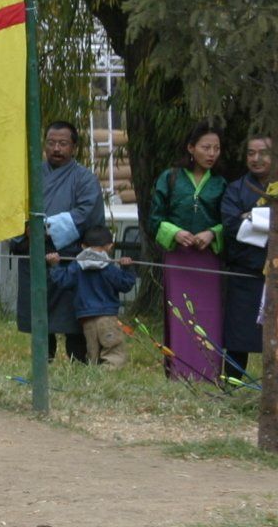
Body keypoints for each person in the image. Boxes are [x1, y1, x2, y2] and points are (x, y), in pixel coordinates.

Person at [13, 121, 104, 364]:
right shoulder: (32, 175)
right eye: (51, 143)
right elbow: (16, 207)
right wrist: (25, 229)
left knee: (73, 319)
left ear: (74, 147)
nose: (56, 148)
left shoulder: (84, 178)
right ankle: (44, 363)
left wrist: (44, 229)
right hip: (35, 255)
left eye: (63, 143)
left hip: (70, 258)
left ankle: (80, 364)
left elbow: (86, 213)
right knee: (40, 318)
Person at [151, 122, 228, 382]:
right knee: (180, 314)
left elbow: (229, 221)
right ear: (191, 148)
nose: (212, 153)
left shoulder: (220, 183)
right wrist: (174, 232)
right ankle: (180, 373)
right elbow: (154, 218)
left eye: (216, 148)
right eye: (206, 147)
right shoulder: (169, 177)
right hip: (178, 258)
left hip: (209, 259)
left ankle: (209, 374)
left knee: (209, 315)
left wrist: (213, 233)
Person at [222, 135, 275, 377]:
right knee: (237, 336)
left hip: (275, 274)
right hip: (245, 273)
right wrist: (268, 222)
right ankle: (232, 386)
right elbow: (232, 225)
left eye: (262, 153)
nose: (256, 159)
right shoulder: (235, 188)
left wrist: (252, 217)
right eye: (250, 153)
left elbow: (248, 222)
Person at [47, 226, 136, 368]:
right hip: (107, 317)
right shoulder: (108, 267)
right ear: (109, 246)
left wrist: (55, 265)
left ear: (83, 246)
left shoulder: (76, 266)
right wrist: (127, 268)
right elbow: (125, 284)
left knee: (93, 352)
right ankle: (108, 374)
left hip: (86, 319)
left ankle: (94, 374)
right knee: (113, 351)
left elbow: (63, 281)